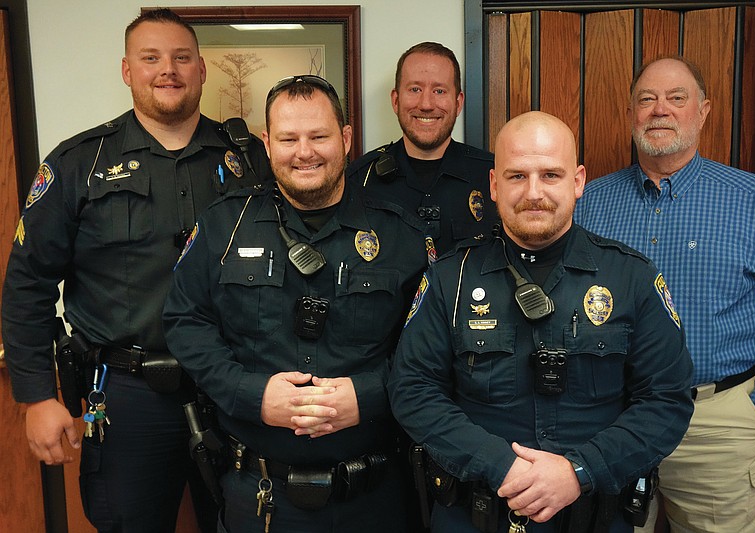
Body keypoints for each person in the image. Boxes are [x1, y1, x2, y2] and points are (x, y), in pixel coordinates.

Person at [1, 9, 271, 532]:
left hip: (232, 384)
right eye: (151, 58)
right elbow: (27, 282)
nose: (167, 70)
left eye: (181, 58)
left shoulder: (249, 160)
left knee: (248, 522)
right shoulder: (78, 163)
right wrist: (38, 395)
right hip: (128, 397)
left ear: (201, 70)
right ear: (127, 70)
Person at [388, 111, 694, 533]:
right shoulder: (449, 278)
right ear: (494, 185)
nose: (534, 193)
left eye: (550, 174)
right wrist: (502, 467)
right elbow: (412, 389)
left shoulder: (632, 278)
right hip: (475, 516)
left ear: (578, 181)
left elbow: (667, 400)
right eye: (517, 176)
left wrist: (578, 472)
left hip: (593, 518)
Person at [162, 74, 427, 533]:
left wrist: (369, 396)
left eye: (319, 136)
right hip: (259, 494)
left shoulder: (402, 237)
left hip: (374, 495)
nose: (304, 151)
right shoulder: (224, 227)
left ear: (346, 138)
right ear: (268, 143)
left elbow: (429, 350)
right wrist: (253, 394)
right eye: (288, 138)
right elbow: (186, 322)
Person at [573, 55, 755, 533]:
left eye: (677, 98)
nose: (660, 110)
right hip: (611, 419)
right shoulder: (588, 204)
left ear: (703, 111)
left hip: (717, 425)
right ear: (631, 113)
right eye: (646, 99)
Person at [347, 42, 496, 262]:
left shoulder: (492, 175)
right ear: (396, 101)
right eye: (415, 89)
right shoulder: (360, 179)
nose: (426, 104)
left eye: (439, 91)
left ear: (458, 102)